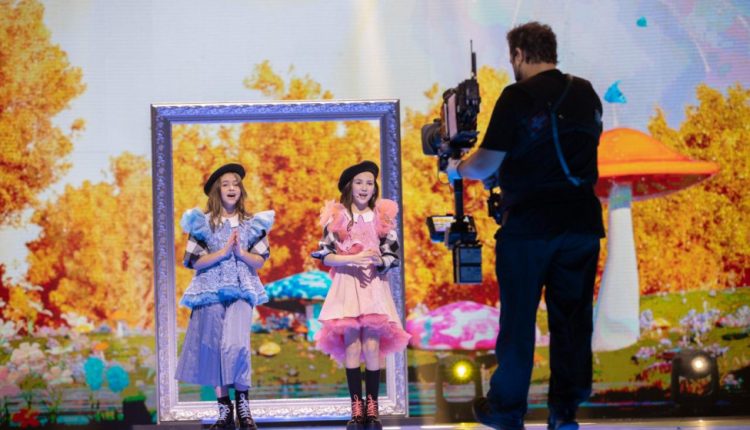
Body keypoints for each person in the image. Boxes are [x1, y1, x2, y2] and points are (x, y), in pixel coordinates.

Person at [446, 22, 605, 430]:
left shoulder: (517, 96)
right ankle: (564, 412)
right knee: (573, 322)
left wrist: (457, 167)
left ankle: (506, 410)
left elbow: (486, 162)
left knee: (518, 322)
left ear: (518, 54)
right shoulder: (585, 92)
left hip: (530, 227)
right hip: (582, 225)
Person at [175, 163, 275, 430]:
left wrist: (240, 253)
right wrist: (222, 253)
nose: (232, 188)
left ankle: (243, 406)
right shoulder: (203, 223)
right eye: (225, 184)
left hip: (241, 288)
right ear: (216, 191)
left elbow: (260, 260)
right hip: (209, 290)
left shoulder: (252, 223)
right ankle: (224, 411)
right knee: (214, 347)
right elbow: (192, 260)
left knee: (236, 344)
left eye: (235, 184)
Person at [312, 161, 410, 430]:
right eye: (359, 182)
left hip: (373, 286)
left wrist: (379, 261)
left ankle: (372, 409)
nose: (364, 188)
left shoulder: (382, 218)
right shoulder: (338, 217)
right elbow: (324, 255)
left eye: (369, 183)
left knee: (372, 346)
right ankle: (356, 409)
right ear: (349, 186)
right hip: (347, 285)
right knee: (353, 346)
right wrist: (352, 258)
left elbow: (393, 255)